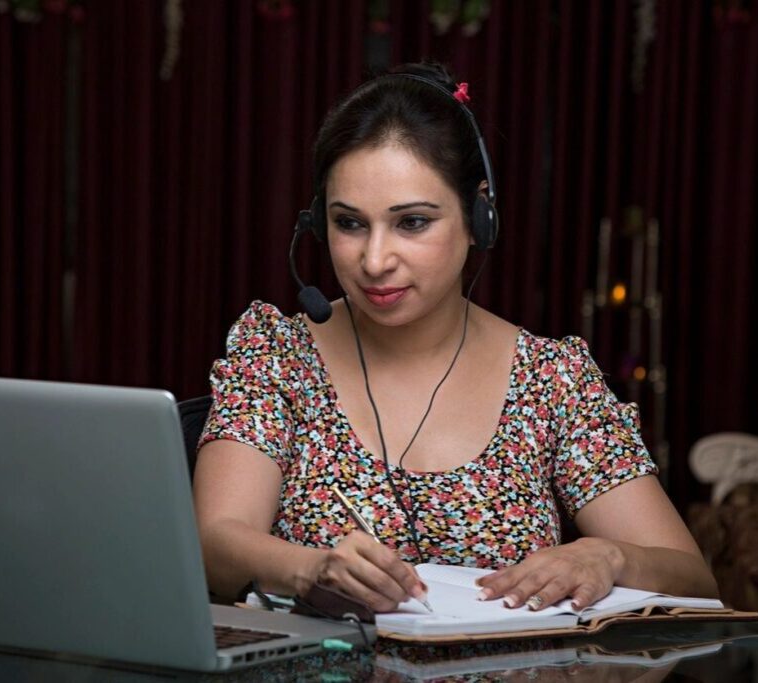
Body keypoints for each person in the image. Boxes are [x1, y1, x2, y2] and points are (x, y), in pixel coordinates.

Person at [193, 62, 718, 614]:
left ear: (479, 216)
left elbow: (695, 579)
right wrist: (311, 568)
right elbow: (215, 543)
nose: (375, 260)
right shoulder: (277, 353)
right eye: (349, 224)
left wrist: (608, 557)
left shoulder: (550, 379)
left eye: (412, 222)